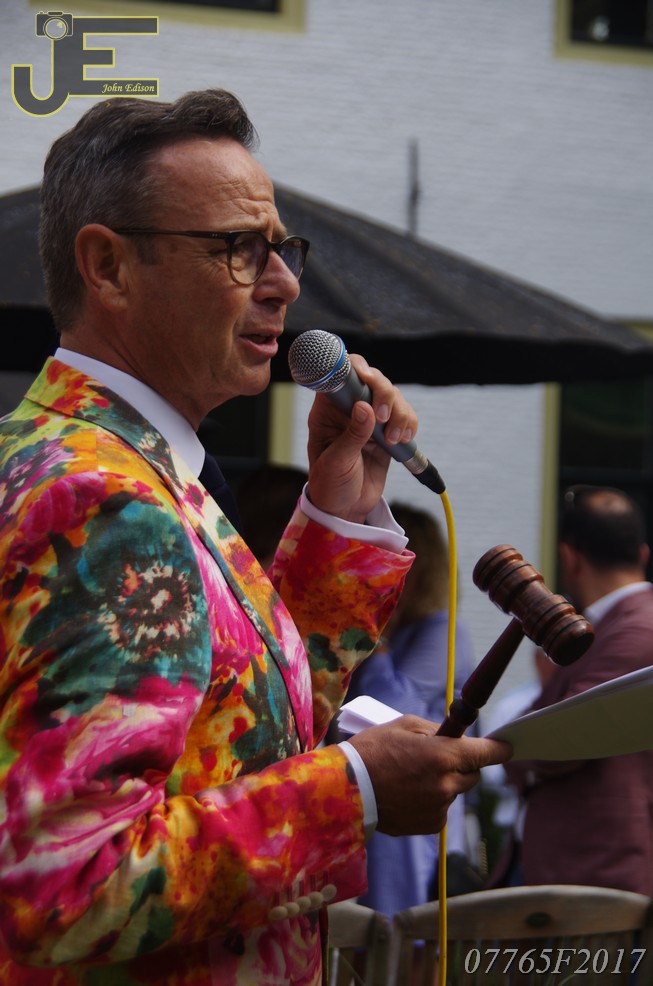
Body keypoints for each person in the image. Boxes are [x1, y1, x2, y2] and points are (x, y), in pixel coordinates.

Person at [0, 90, 509, 986]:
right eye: (237, 248)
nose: (283, 283)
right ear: (108, 267)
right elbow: (67, 889)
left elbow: (237, 737)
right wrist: (353, 791)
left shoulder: (82, 454)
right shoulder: (104, 498)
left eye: (282, 248)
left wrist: (336, 517)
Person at [503, 485, 653, 894]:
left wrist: (503, 752)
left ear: (568, 557)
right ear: (642, 554)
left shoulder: (639, 628)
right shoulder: (616, 624)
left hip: (597, 868)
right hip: (583, 864)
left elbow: (558, 739)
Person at [343, 502, 478, 916]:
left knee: (399, 925)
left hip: (415, 806)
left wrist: (377, 631)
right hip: (367, 792)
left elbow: (392, 711)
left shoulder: (444, 631)